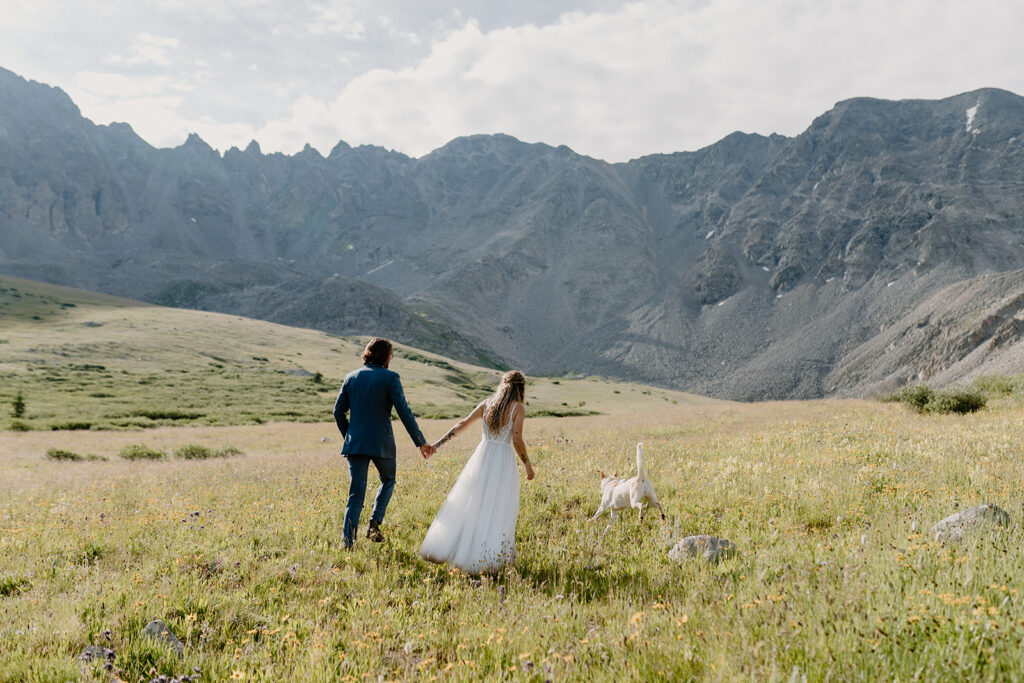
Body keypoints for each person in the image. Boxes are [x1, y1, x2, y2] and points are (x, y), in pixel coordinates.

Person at [419, 370, 535, 574]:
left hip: (482, 457)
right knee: (497, 507)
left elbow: (462, 424)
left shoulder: (487, 403)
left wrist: (437, 444)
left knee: (472, 504)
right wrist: (527, 465)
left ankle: (456, 549)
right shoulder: (518, 408)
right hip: (502, 461)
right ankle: (487, 560)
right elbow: (516, 439)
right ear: (520, 387)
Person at [334, 338, 435, 548]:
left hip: (356, 444)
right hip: (382, 443)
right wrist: (420, 442)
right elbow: (404, 412)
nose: (392, 358)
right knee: (388, 480)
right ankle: (374, 524)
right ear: (386, 356)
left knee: (356, 493)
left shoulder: (351, 377)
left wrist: (350, 434)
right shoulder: (391, 377)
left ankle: (348, 542)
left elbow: (338, 412)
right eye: (391, 354)